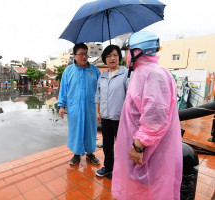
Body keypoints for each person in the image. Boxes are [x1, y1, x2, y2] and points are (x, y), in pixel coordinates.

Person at [111, 31, 182, 200]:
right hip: (140, 146)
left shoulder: (153, 74)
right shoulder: (142, 72)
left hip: (147, 149)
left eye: (128, 51)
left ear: (138, 52)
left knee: (149, 189)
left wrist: (138, 146)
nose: (125, 56)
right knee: (139, 188)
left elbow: (155, 116)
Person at [58, 43, 101, 165]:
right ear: (74, 56)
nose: (84, 56)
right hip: (75, 107)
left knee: (91, 130)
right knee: (75, 130)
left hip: (90, 107)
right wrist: (61, 106)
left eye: (86, 53)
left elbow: (100, 89)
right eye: (81, 54)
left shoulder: (94, 70)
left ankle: (90, 153)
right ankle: (76, 154)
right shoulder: (68, 71)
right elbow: (63, 89)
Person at [95, 45, 129, 177]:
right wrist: (98, 112)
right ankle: (108, 167)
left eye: (115, 55)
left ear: (119, 57)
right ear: (105, 59)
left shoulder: (126, 73)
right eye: (108, 56)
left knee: (122, 146)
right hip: (105, 117)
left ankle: (122, 171)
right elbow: (98, 96)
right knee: (107, 144)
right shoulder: (102, 77)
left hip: (120, 117)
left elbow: (130, 96)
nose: (112, 58)